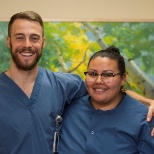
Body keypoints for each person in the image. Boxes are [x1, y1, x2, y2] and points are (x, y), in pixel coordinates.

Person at [0, 11, 153, 154]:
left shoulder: (64, 85)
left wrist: (147, 102)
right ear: (9, 41)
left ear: (43, 42)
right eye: (19, 37)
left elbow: (106, 91)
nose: (27, 44)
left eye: (34, 38)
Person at [59, 46, 154, 154]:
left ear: (123, 79)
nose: (98, 81)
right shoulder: (69, 105)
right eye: (93, 74)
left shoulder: (145, 119)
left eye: (108, 75)